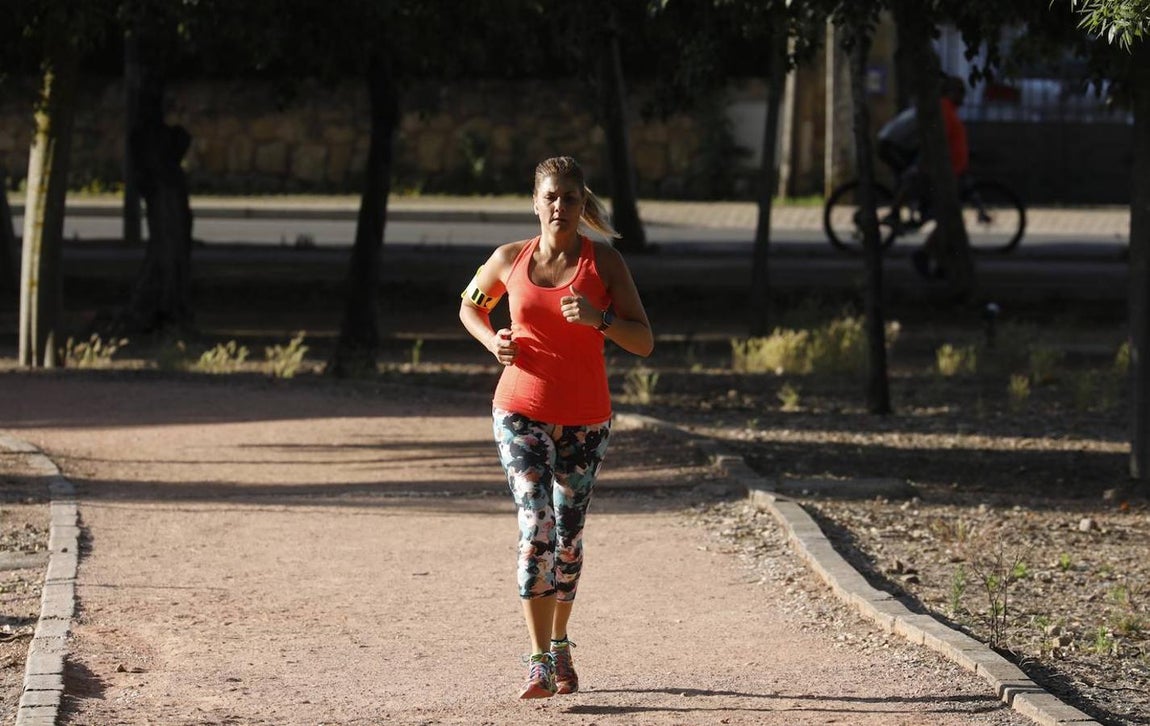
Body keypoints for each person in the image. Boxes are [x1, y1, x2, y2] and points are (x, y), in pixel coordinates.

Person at [458, 155, 654, 699]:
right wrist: (493, 341)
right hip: (519, 409)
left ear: (581, 203)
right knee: (536, 524)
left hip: (586, 419)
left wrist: (600, 319)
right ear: (535, 202)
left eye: (569, 197)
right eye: (550, 197)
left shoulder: (604, 263)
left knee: (568, 537)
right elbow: (470, 307)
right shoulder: (508, 258)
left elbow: (644, 340)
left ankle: (560, 641)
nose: (559, 206)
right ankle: (538, 659)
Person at [876, 75, 970, 278]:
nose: (964, 97)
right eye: (960, 92)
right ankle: (897, 211)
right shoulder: (941, 110)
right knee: (913, 179)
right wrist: (923, 167)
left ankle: (940, 262)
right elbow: (932, 142)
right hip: (895, 146)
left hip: (941, 167)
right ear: (951, 92)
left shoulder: (944, 110)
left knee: (946, 216)